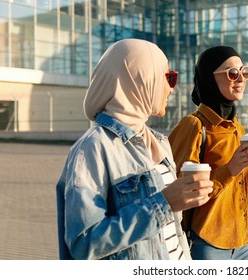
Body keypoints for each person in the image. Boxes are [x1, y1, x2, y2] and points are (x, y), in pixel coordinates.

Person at [55, 38, 214, 260]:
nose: (171, 88)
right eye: (169, 78)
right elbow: (84, 244)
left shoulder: (159, 142)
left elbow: (171, 233)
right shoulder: (92, 149)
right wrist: (164, 203)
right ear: (139, 79)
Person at [168, 46, 248, 260]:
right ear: (209, 78)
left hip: (242, 244)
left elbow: (238, 197)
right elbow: (181, 194)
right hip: (206, 245)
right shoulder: (193, 126)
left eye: (244, 72)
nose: (241, 79)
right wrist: (231, 168)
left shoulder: (239, 130)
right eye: (232, 73)